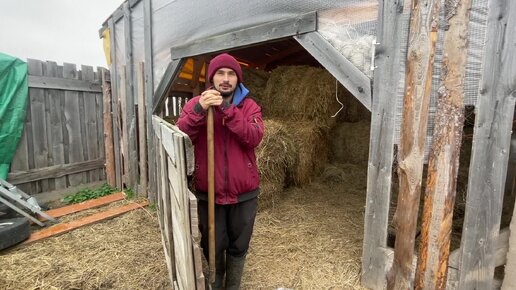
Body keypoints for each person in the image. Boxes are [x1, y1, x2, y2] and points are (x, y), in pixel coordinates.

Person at [177, 53, 264, 289]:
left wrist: (227, 109)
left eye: (231, 74)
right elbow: (181, 135)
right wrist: (198, 109)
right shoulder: (195, 105)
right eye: (220, 73)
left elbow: (253, 137)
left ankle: (232, 286)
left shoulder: (249, 107)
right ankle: (216, 283)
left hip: (243, 193)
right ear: (212, 78)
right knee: (212, 245)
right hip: (209, 192)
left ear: (238, 79)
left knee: (239, 245)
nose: (225, 79)